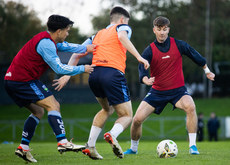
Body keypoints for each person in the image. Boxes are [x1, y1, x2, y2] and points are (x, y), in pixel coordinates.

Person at [53, 6, 149, 160]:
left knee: (106, 109)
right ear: (123, 19)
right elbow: (123, 37)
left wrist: (68, 74)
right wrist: (139, 57)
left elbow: (77, 53)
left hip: (94, 74)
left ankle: (90, 146)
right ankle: (112, 135)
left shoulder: (96, 35)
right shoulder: (123, 27)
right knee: (126, 115)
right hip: (112, 73)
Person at [4, 14, 96, 163]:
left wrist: (86, 48)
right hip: (22, 80)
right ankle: (62, 142)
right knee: (53, 105)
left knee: (38, 111)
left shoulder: (49, 39)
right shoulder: (46, 44)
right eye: (67, 31)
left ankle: (23, 148)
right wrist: (82, 68)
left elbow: (67, 46)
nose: (67, 34)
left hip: (13, 80)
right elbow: (59, 68)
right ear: (59, 31)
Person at [124, 16, 215, 155]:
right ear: (154, 30)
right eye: (159, 30)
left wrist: (207, 71)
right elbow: (142, 66)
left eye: (165, 29)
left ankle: (193, 146)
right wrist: (144, 79)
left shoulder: (179, 45)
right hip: (157, 92)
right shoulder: (149, 50)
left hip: (178, 91)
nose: (162, 33)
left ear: (168, 30)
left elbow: (195, 55)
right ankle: (133, 149)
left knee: (191, 107)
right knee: (136, 120)